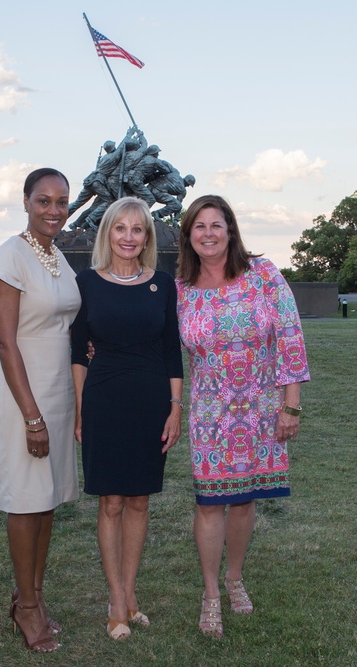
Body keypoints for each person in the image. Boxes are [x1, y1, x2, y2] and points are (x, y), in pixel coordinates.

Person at [175, 194, 310, 638]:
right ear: (188, 235)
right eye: (200, 226)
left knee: (244, 498)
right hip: (211, 412)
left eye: (217, 225)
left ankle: (235, 578)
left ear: (230, 230)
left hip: (260, 407)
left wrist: (291, 404)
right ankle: (211, 593)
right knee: (210, 501)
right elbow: (150, 339)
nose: (209, 233)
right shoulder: (181, 289)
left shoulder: (264, 274)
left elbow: (290, 335)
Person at [70, 196, 184, 641]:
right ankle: (115, 599)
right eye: (121, 228)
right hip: (102, 399)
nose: (129, 237)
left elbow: (172, 349)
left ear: (147, 238)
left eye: (138, 230)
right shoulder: (86, 284)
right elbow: (78, 352)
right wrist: (80, 408)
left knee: (139, 500)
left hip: (151, 399)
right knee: (111, 501)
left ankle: (131, 595)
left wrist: (176, 407)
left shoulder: (162, 284)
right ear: (108, 233)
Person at [0, 167, 81, 653]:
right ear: (25, 202)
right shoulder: (11, 255)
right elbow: (4, 340)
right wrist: (31, 416)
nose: (54, 210)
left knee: (47, 498)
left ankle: (33, 596)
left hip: (58, 388)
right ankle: (24, 610)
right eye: (44, 200)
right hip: (21, 390)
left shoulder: (58, 256)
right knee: (25, 497)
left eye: (62, 201)